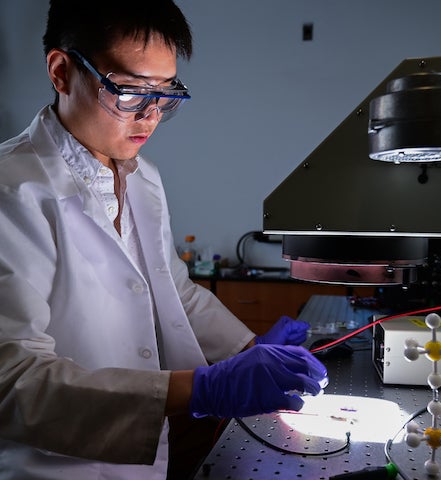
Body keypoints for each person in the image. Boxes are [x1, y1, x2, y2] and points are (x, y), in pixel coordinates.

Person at [0, 1, 328, 479]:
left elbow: (174, 289)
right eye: (130, 91)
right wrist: (201, 390)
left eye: (166, 93)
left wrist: (249, 349)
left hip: (144, 461)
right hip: (48, 466)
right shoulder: (13, 189)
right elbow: (13, 379)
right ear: (61, 71)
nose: (151, 115)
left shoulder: (142, 177)